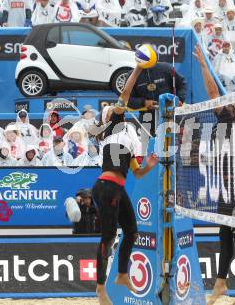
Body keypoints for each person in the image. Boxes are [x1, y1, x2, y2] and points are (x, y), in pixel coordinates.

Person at [93, 65, 159, 304]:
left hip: (116, 188)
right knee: (108, 237)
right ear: (109, 118)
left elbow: (138, 174)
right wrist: (139, 69)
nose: (114, 108)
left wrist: (150, 165)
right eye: (111, 109)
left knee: (131, 231)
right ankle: (101, 289)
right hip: (106, 187)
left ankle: (121, 273)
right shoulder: (113, 125)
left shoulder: (126, 143)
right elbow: (126, 93)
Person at [193, 45, 235, 305]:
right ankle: (220, 283)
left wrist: (204, 65)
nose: (228, 102)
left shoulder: (231, 121)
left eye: (233, 102)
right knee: (225, 238)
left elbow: (213, 92)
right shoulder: (228, 124)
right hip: (226, 188)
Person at [127, 58, 186, 136]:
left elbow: (182, 84)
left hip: (170, 116)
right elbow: (127, 100)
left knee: (170, 144)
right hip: (147, 120)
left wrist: (179, 99)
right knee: (150, 146)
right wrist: (143, 102)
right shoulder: (132, 76)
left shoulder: (166, 68)